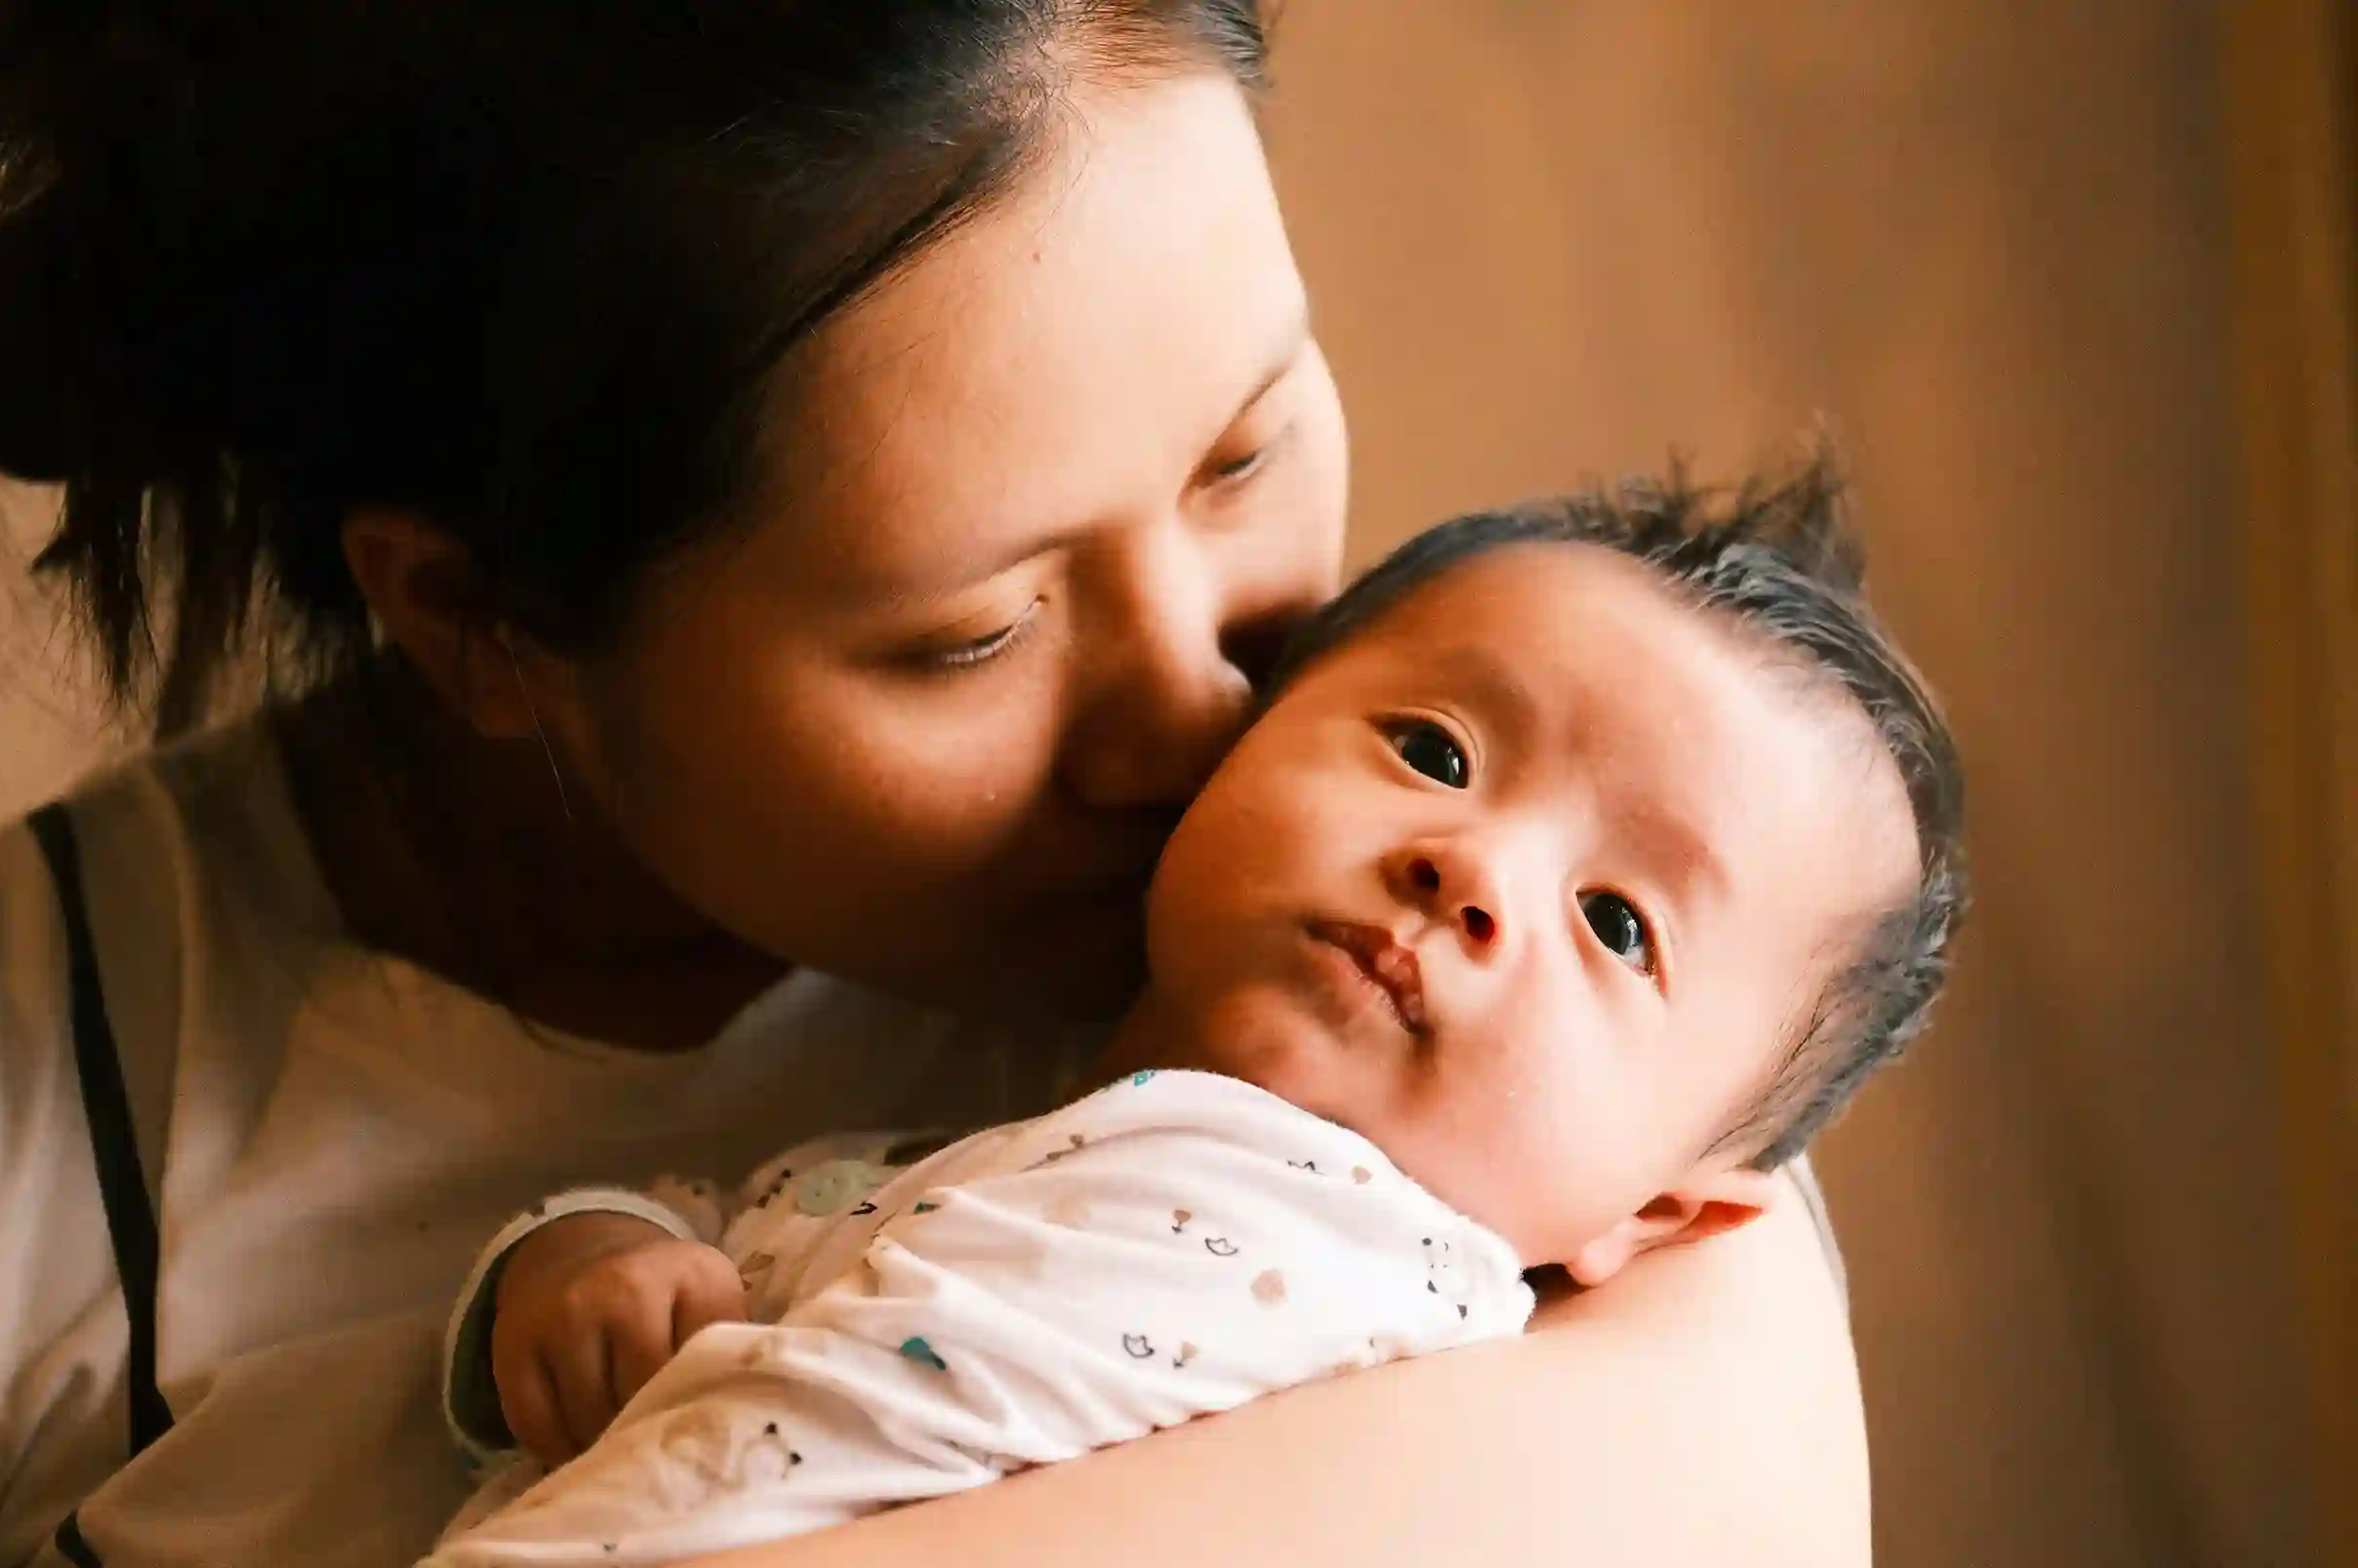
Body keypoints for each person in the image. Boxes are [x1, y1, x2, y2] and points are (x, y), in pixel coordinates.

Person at [0, 3, 1875, 1565]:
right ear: (479, 617)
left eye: (1245, 450)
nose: (1198, 715)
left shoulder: (1509, 1040)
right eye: (970, 635)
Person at [426, 468, 1967, 1567]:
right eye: (1433, 750)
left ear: (1662, 1210)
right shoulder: (918, 1149)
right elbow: (702, 1247)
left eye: (1618, 923)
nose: (1472, 864)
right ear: (1234, 737)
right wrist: (576, 1263)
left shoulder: (1424, 1333)